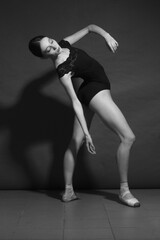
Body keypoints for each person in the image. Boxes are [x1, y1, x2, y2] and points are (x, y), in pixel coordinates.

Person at [28, 24, 140, 207]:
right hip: (96, 91)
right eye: (47, 49)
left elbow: (89, 28)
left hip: (89, 90)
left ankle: (68, 191)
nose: (52, 46)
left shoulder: (65, 43)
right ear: (44, 56)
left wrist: (107, 36)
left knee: (74, 141)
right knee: (128, 137)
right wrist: (87, 133)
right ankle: (124, 191)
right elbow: (74, 102)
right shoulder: (63, 71)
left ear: (51, 37)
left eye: (50, 41)